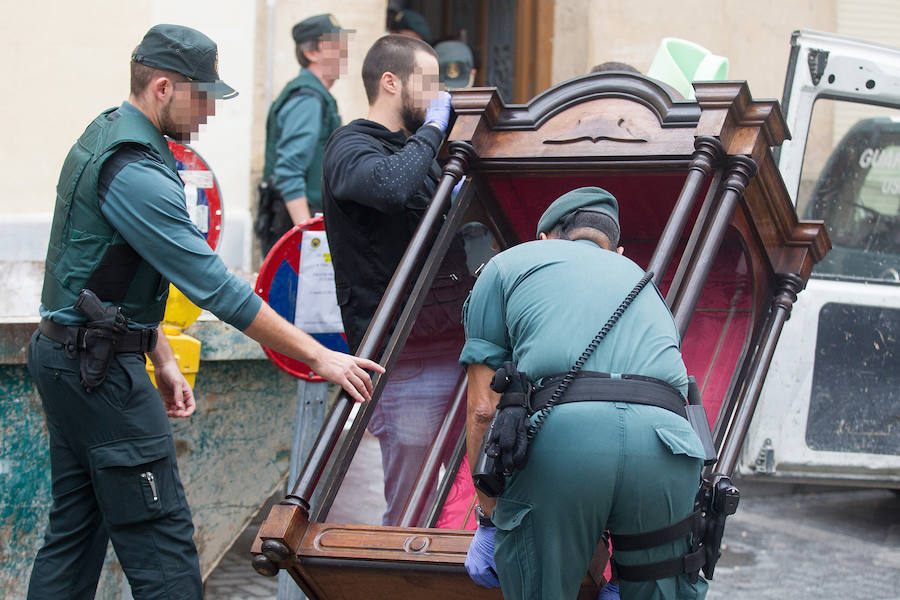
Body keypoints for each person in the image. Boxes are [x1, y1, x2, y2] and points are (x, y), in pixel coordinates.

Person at [27, 24, 381, 600]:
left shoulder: (104, 134)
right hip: (99, 374)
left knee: (73, 537)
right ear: (163, 88)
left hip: (69, 357)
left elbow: (101, 276)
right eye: (204, 96)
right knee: (161, 543)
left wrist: (159, 352)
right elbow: (217, 289)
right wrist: (322, 357)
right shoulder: (138, 172)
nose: (211, 111)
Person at [461, 187, 709, 599]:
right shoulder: (644, 283)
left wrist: (488, 520)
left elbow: (484, 410)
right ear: (616, 249)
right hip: (671, 448)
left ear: (544, 239)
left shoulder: (508, 265)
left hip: (566, 441)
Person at [322, 34, 472, 525]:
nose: (437, 96)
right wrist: (433, 131)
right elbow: (390, 187)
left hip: (456, 349)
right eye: (428, 83)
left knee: (466, 504)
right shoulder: (350, 146)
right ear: (391, 82)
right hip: (406, 362)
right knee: (411, 513)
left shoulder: (415, 154)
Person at [257, 14, 348, 256]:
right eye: (335, 44)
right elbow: (289, 172)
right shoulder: (308, 99)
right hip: (298, 227)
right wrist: (309, 242)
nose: (344, 52)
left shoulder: (316, 97)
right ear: (312, 52)